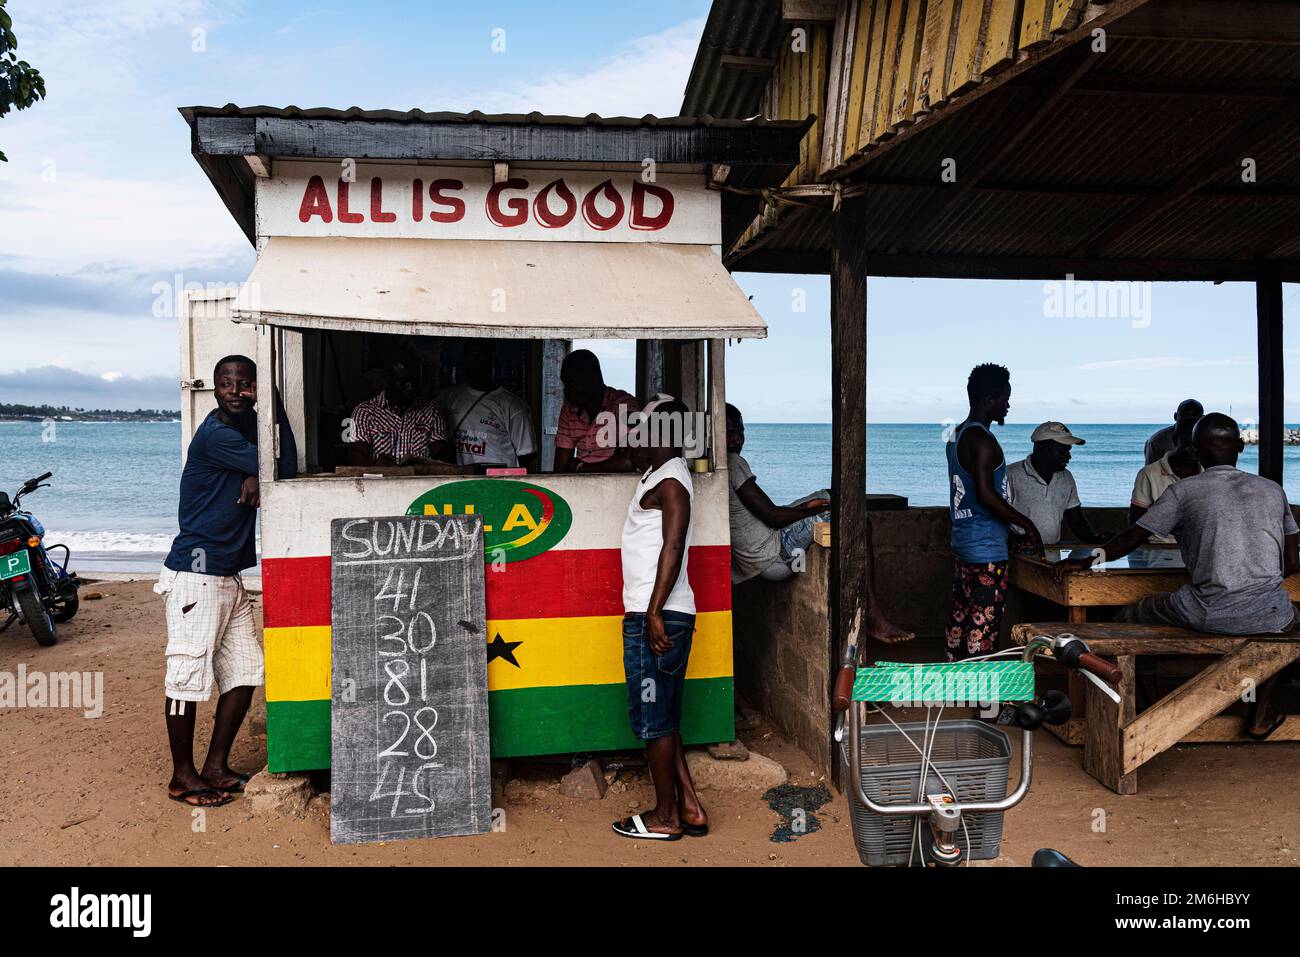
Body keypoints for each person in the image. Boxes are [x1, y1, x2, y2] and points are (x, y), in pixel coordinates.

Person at [1054, 413, 1299, 737]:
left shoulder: (1184, 492)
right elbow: (1292, 562)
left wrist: (1088, 561)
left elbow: (1130, 538)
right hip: (1268, 614)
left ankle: (1154, 710)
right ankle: (1260, 714)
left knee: (1129, 618)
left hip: (1208, 612)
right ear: (1241, 446)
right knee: (1288, 620)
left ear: (1195, 450)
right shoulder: (1272, 490)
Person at [158, 355, 296, 808]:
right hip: (196, 578)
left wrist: (257, 461)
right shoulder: (216, 433)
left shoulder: (243, 429)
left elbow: (278, 461)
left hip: (227, 577)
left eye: (245, 384)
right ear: (214, 389)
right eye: (225, 383)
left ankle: (216, 766)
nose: (235, 391)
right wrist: (259, 468)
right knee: (186, 677)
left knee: (245, 673)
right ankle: (183, 777)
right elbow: (282, 460)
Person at [612, 397, 708, 841]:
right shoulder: (657, 474)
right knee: (664, 715)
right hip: (658, 612)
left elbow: (673, 547)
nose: (637, 434)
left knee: (654, 719)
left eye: (648, 427)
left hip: (659, 615)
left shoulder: (672, 481)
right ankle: (688, 808)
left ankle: (665, 817)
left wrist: (652, 612)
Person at [945, 364, 1043, 661]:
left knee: (960, 622)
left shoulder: (957, 435)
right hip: (985, 550)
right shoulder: (983, 441)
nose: (1008, 406)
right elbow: (987, 496)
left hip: (964, 542)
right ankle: (984, 703)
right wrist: (1027, 525)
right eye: (1005, 399)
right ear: (989, 399)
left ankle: (953, 686)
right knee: (983, 628)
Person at [724, 404, 832, 583]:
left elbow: (767, 513)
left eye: (740, 432)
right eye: (729, 434)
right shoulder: (734, 463)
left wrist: (805, 507)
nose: (737, 440)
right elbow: (773, 517)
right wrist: (816, 512)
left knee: (824, 495)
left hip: (753, 562)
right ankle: (871, 600)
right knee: (852, 515)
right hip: (775, 557)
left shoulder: (718, 466)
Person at [438, 339, 538, 469]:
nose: (475, 362)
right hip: (459, 483)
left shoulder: (514, 407)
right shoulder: (448, 397)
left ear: (493, 361)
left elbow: (527, 455)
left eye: (481, 356)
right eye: (471, 356)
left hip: (496, 485)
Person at [1006, 421, 1102, 545]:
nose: (1069, 456)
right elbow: (992, 516)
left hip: (1053, 552)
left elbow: (1076, 519)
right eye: (1062, 450)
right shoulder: (1010, 474)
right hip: (1019, 554)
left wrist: (1094, 539)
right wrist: (1013, 539)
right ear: (1041, 448)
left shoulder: (1066, 477)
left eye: (1068, 450)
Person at [348, 353, 448, 466]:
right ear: (387, 379)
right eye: (403, 381)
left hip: (419, 482)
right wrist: (375, 466)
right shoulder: (365, 412)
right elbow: (356, 454)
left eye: (414, 381)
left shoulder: (432, 413)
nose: (410, 387)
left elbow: (441, 457)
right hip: (379, 482)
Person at [554, 349, 638, 472]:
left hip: (619, 486)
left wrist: (581, 467)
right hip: (578, 487)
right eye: (565, 384)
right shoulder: (569, 410)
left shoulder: (624, 403)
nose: (566, 391)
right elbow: (560, 469)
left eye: (572, 383)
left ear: (593, 378)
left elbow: (627, 462)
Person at [1130, 415, 1201, 543]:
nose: (1193, 450)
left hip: (1198, 548)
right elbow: (1136, 520)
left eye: (1198, 445)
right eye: (1188, 444)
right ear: (1175, 441)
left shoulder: (1210, 473)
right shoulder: (1149, 474)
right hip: (1159, 546)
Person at [1145, 398, 1203, 465]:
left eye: (1194, 417)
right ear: (1175, 416)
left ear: (1201, 418)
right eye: (1184, 417)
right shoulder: (1158, 440)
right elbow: (1151, 469)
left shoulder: (1207, 438)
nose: (1188, 421)